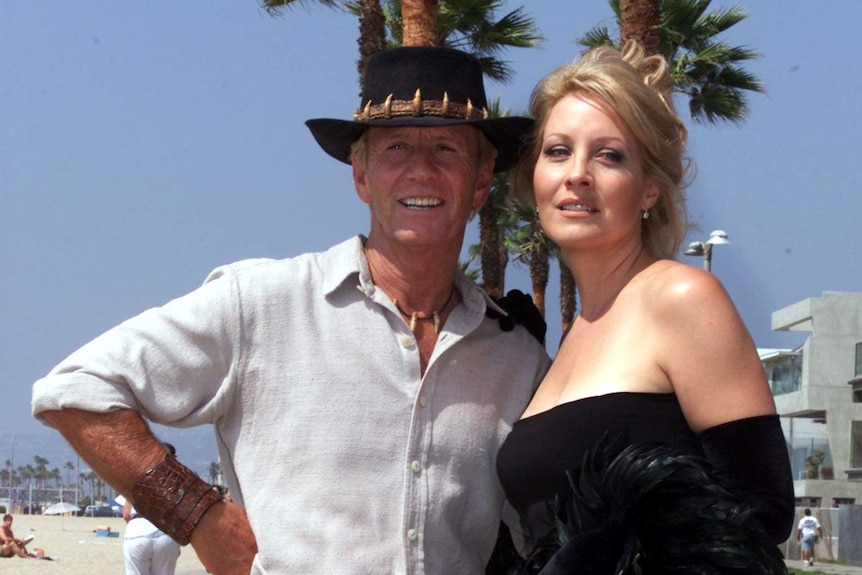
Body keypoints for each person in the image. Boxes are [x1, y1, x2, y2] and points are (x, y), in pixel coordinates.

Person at [31, 46, 550, 575]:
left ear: (481, 181)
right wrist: (198, 514)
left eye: (446, 148)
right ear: (362, 177)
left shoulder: (516, 356)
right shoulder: (262, 303)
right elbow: (74, 389)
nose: (420, 170)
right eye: (395, 147)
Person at [495, 42, 795, 574]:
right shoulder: (570, 339)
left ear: (649, 191)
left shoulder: (681, 297)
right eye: (558, 151)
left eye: (609, 155)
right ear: (534, 178)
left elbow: (762, 514)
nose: (578, 174)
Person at [122, 442, 182, 575]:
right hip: (166, 534)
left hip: (137, 532)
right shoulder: (178, 480)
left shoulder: (136, 476)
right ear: (174, 457)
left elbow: (126, 514)